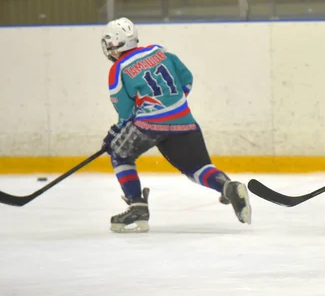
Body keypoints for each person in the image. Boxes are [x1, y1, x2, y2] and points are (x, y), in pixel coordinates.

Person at [100, 17, 252, 233]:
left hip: (150, 124)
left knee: (120, 154)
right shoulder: (159, 52)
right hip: (184, 120)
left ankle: (137, 206)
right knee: (197, 168)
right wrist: (173, 106)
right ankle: (229, 187)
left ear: (115, 44)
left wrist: (113, 136)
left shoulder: (118, 69)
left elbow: (126, 113)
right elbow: (186, 79)